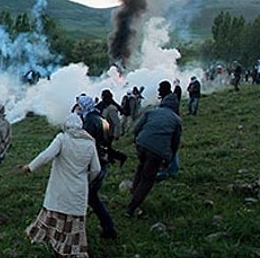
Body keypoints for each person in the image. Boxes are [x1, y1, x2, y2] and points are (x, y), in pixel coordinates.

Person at [20, 113, 101, 258]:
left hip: (60, 190)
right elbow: (96, 169)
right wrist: (85, 180)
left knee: (56, 217)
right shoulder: (89, 143)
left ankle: (54, 244)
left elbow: (46, 155)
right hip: (78, 191)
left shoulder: (63, 139)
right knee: (73, 223)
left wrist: (30, 167)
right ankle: (70, 250)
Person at [126, 86, 182, 218]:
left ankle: (134, 190)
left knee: (141, 166)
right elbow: (175, 143)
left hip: (141, 144)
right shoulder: (176, 120)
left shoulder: (152, 112)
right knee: (148, 179)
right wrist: (169, 159)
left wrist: (137, 141)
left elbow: (136, 128)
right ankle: (131, 208)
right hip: (157, 151)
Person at [77, 94, 118, 239]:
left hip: (94, 163)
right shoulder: (102, 119)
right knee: (90, 197)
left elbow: (86, 145)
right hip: (103, 161)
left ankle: (108, 228)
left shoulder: (89, 122)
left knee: (89, 198)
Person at [96, 89, 127, 167]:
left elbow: (116, 123)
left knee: (107, 148)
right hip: (105, 131)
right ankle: (112, 160)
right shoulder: (105, 106)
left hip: (109, 133)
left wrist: (116, 134)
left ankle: (121, 157)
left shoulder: (112, 109)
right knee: (107, 148)